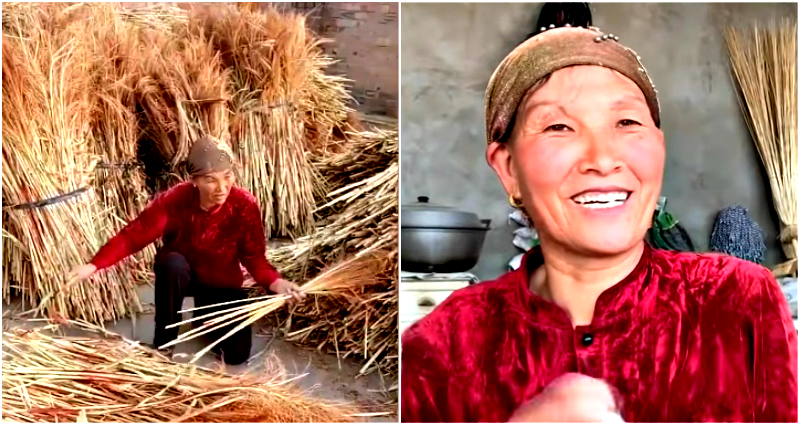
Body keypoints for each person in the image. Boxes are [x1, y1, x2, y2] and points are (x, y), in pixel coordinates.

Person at [401, 25, 798, 422]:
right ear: (509, 169)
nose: (603, 159)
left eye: (626, 122)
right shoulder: (444, 345)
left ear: (658, 145)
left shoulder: (735, 299)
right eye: (559, 127)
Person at [69, 136, 304, 365]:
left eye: (227, 177)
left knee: (236, 355)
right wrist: (94, 265)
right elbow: (133, 236)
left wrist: (276, 283)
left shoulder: (244, 204)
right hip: (184, 278)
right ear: (194, 180)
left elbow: (254, 258)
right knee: (171, 264)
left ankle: (204, 313)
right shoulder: (175, 200)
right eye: (210, 180)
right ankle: (165, 341)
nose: (222, 188)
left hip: (222, 284)